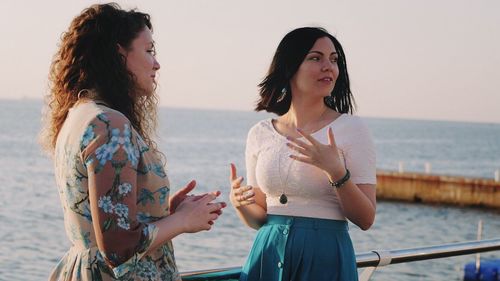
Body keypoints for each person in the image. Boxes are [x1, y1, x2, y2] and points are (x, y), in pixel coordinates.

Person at [40, 4, 225, 281]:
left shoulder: (79, 114)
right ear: (118, 54)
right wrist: (183, 221)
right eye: (149, 51)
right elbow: (117, 247)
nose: (157, 64)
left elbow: (104, 221)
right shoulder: (109, 124)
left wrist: (162, 212)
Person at [230, 27, 376, 281]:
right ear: (290, 67)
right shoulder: (260, 133)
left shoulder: (352, 129)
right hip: (267, 253)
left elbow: (366, 218)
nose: (328, 67)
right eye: (316, 58)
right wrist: (240, 204)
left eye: (334, 60)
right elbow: (260, 217)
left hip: (325, 257)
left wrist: (336, 172)